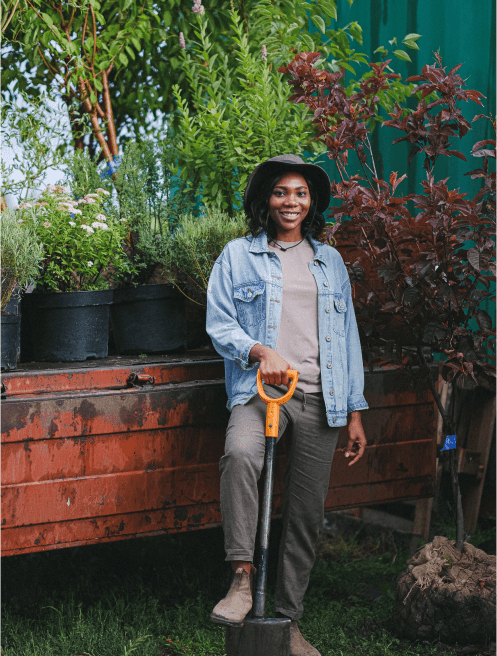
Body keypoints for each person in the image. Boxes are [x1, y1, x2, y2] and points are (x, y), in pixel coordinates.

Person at [206, 154, 368, 656]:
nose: (291, 201)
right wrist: (260, 350)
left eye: (300, 193)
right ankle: (240, 577)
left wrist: (356, 412)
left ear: (311, 201)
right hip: (261, 390)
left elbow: (347, 337)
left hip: (322, 396)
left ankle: (289, 620)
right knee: (240, 455)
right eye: (281, 192)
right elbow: (220, 321)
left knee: (304, 512)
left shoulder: (331, 261)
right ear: (266, 201)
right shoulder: (237, 255)